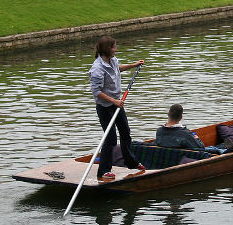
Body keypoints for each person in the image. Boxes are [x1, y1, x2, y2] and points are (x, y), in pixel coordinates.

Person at [89, 36, 146, 182]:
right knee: (111, 138)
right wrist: (114, 100)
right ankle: (104, 171)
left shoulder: (113, 60)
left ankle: (131, 162)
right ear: (108, 49)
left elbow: (117, 69)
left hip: (117, 104)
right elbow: (96, 92)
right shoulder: (97, 69)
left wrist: (134, 65)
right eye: (114, 47)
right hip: (105, 106)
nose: (116, 49)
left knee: (125, 132)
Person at [156, 103, 224, 154]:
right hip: (185, 158)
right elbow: (201, 147)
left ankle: (224, 145)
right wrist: (196, 138)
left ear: (168, 114)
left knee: (215, 147)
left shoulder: (159, 131)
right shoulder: (184, 133)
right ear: (181, 117)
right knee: (216, 148)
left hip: (173, 155)